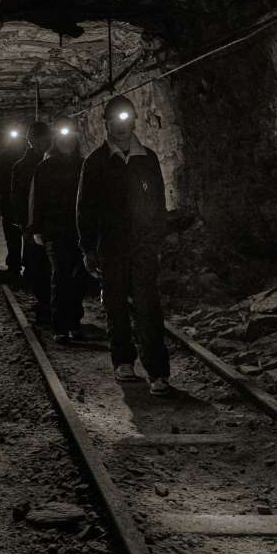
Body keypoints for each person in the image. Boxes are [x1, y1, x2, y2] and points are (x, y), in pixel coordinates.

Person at [77, 96, 171, 396]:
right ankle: (123, 360)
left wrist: (157, 240)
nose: (120, 127)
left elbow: (158, 204)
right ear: (106, 124)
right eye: (114, 122)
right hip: (112, 246)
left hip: (143, 245)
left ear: (133, 122)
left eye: (125, 121)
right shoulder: (95, 163)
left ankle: (157, 371)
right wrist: (88, 248)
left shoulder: (149, 159)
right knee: (116, 305)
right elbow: (86, 208)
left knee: (148, 307)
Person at [27, 119, 87, 343]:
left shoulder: (84, 165)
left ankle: (75, 322)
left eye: (70, 137)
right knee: (61, 275)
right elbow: (37, 199)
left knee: (79, 277)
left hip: (79, 231)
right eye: (62, 138)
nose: (67, 142)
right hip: (55, 231)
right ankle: (61, 325)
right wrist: (36, 228)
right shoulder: (45, 167)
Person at [10, 121, 51, 322]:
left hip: (52, 224)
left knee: (51, 266)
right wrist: (23, 224)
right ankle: (44, 302)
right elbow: (17, 197)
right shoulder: (22, 167)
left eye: (46, 138)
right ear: (31, 140)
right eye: (39, 139)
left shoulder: (54, 162)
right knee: (37, 264)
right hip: (33, 224)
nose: (44, 142)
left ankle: (50, 303)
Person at [0, 127, 25, 278]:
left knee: (13, 236)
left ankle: (15, 264)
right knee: (15, 236)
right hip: (12, 203)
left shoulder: (5, 158)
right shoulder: (6, 159)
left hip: (12, 204)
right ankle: (17, 264)